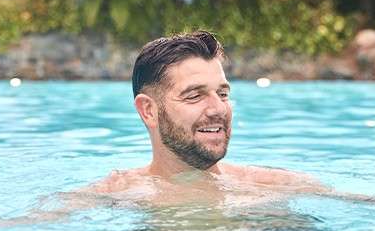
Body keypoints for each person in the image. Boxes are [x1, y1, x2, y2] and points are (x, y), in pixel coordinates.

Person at [91, 30, 324, 201]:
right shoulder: (114, 196)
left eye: (223, 94)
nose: (218, 109)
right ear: (148, 111)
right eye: (194, 96)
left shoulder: (282, 187)